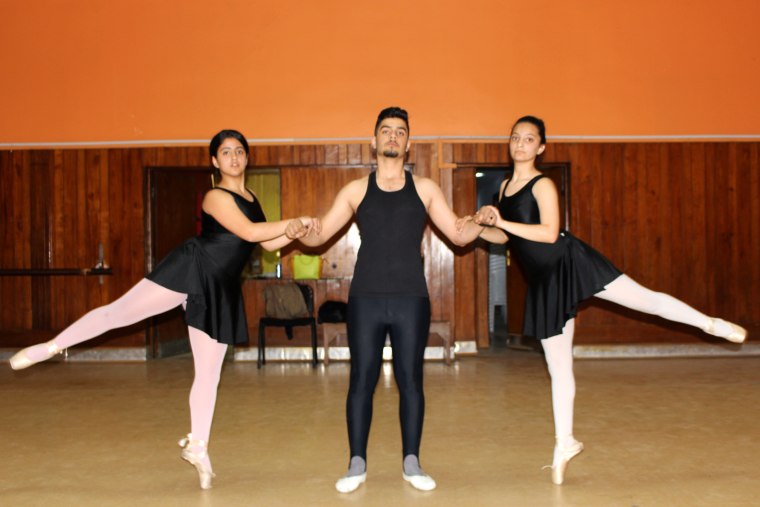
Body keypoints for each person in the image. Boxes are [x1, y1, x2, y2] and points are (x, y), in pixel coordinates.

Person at [9, 129, 319, 490]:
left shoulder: (251, 198)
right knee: (118, 313)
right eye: (226, 152)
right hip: (192, 268)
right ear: (215, 161)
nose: (234, 157)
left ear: (246, 158)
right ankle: (50, 347)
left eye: (239, 151)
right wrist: (291, 221)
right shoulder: (215, 196)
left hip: (219, 286)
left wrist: (295, 231)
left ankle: (199, 447)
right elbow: (249, 233)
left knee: (209, 374)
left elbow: (268, 244)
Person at [463, 115, 747, 486]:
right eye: (515, 137)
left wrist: (500, 220)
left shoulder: (543, 184)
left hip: (571, 261)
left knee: (645, 300)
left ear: (541, 147)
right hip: (545, 282)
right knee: (558, 367)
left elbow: (549, 234)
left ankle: (709, 323)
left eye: (529, 139)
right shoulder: (503, 188)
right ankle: (564, 442)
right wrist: (483, 228)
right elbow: (508, 240)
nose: (520, 143)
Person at [298, 106, 494, 493]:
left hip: (411, 299)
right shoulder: (356, 190)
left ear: (408, 143)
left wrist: (481, 219)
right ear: (373, 141)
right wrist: (296, 229)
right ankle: (356, 464)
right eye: (385, 131)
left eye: (399, 131)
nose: (392, 136)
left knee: (411, 381)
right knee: (361, 381)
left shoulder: (424, 188)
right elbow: (319, 235)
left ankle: (412, 463)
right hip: (366, 299)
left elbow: (457, 233)